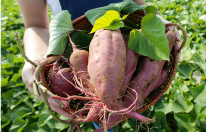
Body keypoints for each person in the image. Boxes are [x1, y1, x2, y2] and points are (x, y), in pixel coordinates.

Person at [17, 0, 180, 131]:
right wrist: (35, 56)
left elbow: (138, 7)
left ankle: (127, 112)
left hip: (124, 37)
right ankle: (105, 122)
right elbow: (35, 25)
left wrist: (158, 26)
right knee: (103, 112)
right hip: (85, 66)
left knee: (147, 84)